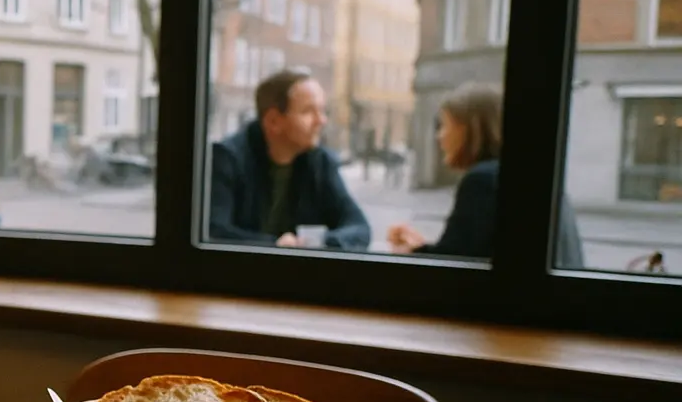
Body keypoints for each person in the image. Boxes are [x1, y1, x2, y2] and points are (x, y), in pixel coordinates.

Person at [389, 83, 585, 268]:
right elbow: (470, 253)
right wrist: (419, 246)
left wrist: (411, 252)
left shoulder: (482, 181)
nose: (439, 136)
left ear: (470, 129)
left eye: (445, 125)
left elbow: (453, 268)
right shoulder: (526, 175)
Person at [209, 70, 370, 251]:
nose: (321, 120)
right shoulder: (227, 159)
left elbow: (359, 227)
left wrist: (318, 243)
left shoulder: (319, 162)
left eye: (322, 110)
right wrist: (275, 246)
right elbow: (214, 231)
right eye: (308, 111)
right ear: (273, 121)